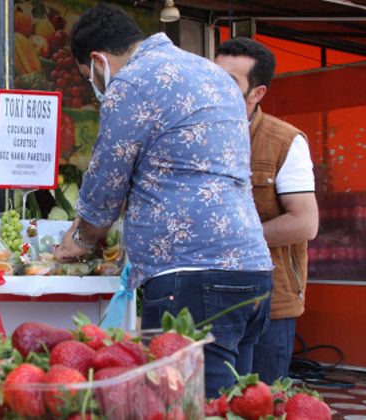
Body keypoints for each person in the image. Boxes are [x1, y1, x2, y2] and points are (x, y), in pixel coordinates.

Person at [53, 3, 274, 397]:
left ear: (98, 60)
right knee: (237, 402)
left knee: (188, 403)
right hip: (253, 268)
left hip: (190, 275)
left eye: (91, 78)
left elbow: (108, 179)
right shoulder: (213, 73)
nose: (96, 85)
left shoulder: (131, 82)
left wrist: (82, 239)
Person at [215, 37, 319, 384]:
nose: (214, 88)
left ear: (256, 93)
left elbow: (305, 221)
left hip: (270, 300)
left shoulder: (284, 141)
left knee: (261, 400)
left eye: (228, 82)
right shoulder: (193, 133)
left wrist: (231, 242)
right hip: (208, 293)